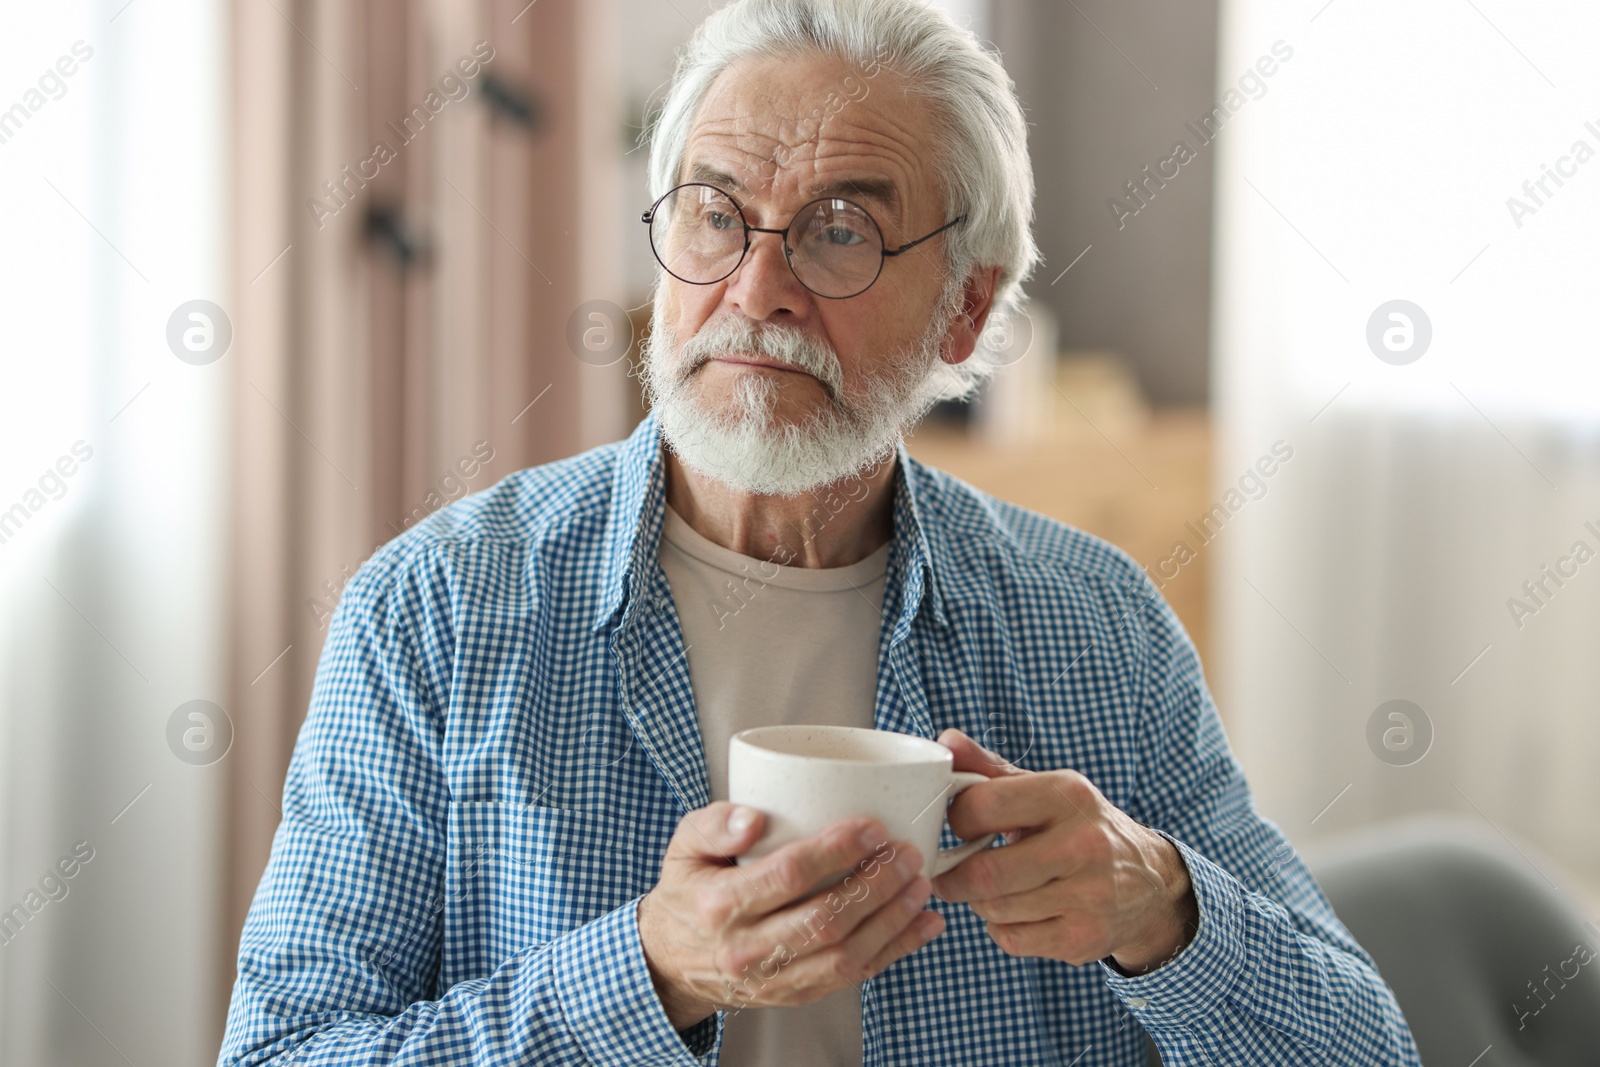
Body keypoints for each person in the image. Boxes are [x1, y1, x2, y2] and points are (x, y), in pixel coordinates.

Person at [217, 0, 1422, 1063]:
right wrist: (648, 975)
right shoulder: (435, 610)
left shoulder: (1097, 624)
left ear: (966, 308)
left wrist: (1161, 912)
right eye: (714, 213)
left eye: (840, 229)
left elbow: (1365, 1049)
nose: (756, 288)